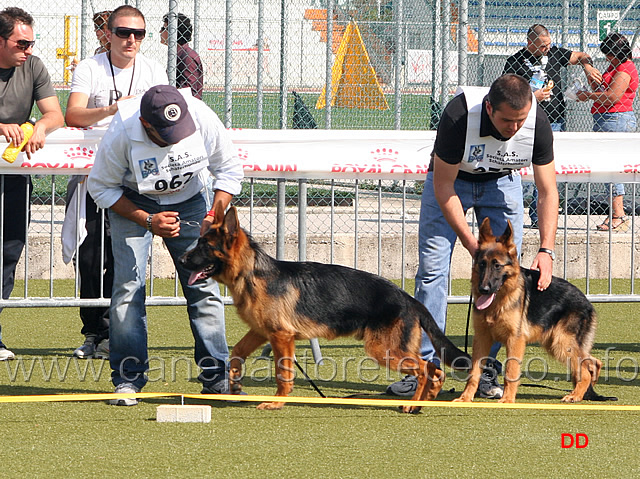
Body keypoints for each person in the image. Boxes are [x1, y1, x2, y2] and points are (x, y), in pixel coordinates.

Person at [387, 74, 558, 399]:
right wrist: (470, 242)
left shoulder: (537, 121)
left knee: (504, 277)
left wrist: (547, 249)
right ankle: (424, 369)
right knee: (433, 272)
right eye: (507, 120)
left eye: (520, 120)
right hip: (453, 183)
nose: (514, 128)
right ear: (490, 108)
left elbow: (548, 190)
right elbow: (443, 187)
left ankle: (486, 373)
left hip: (502, 181)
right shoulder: (458, 116)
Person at [87, 85, 243, 405]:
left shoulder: (199, 114)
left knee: (204, 288)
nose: (175, 141)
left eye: (179, 132)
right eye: (166, 134)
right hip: (132, 203)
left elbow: (228, 170)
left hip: (192, 202)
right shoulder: (121, 133)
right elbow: (101, 188)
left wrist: (214, 214)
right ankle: (128, 380)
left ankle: (217, 377)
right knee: (128, 289)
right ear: (146, 124)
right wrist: (147, 220)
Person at [64, 4, 168, 359]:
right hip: (93, 174)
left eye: (138, 34)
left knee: (123, 256)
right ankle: (92, 330)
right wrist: (113, 109)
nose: (131, 40)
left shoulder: (154, 69)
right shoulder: (89, 68)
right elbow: (73, 113)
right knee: (89, 253)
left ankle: (115, 332)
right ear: (108, 34)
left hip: (137, 176)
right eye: (123, 32)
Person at [0, 7, 64, 360]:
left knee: (9, 250)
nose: (28, 49)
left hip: (14, 176)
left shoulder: (34, 65)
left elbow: (56, 113)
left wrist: (40, 126)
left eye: (31, 42)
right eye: (21, 43)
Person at [502, 24, 600, 227]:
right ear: (530, 43)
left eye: (549, 44)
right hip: (524, 122)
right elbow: (505, 94)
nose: (547, 48)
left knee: (545, 170)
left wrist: (587, 66)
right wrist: (532, 97)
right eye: (543, 45)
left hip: (553, 121)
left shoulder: (554, 53)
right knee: (517, 168)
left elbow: (581, 55)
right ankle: (513, 217)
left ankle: (539, 219)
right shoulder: (514, 62)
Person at [576, 32, 638, 232]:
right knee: (606, 167)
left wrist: (588, 96)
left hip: (616, 119)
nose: (606, 58)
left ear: (616, 53)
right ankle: (616, 212)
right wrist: (590, 76)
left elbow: (612, 96)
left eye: (609, 54)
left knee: (612, 168)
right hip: (606, 118)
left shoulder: (625, 68)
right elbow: (602, 89)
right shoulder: (614, 67)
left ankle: (618, 214)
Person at [160, 13, 203, 99]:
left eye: (163, 28)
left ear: (173, 32)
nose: (160, 31)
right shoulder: (179, 54)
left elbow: (189, 92)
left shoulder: (187, 57)